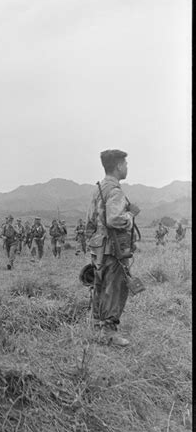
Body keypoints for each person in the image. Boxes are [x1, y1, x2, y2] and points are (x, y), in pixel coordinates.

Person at [86, 149, 141, 347]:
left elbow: (89, 221)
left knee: (99, 286)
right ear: (118, 166)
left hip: (99, 247)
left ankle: (97, 327)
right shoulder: (115, 191)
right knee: (116, 287)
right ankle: (109, 332)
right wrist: (130, 216)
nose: (127, 167)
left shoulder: (98, 189)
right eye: (125, 164)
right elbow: (114, 218)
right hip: (114, 249)